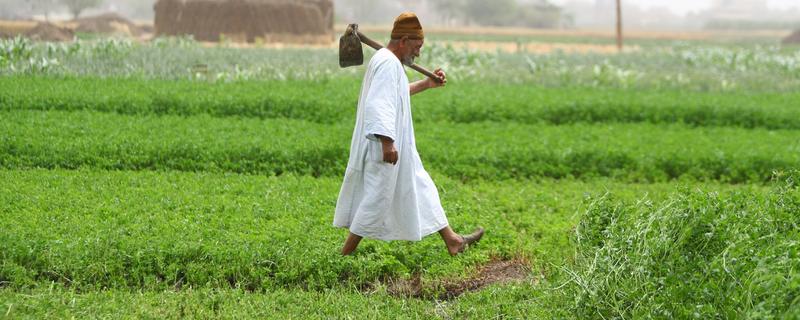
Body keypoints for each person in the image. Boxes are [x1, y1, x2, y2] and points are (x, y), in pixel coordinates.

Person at [333, 12, 484, 256]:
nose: (419, 53)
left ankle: (453, 240)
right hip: (384, 147)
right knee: (376, 198)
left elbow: (397, 92)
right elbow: (379, 104)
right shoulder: (387, 64)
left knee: (421, 186)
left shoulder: (390, 63)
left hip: (397, 144)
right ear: (403, 41)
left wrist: (427, 84)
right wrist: (387, 143)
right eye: (417, 46)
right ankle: (344, 256)